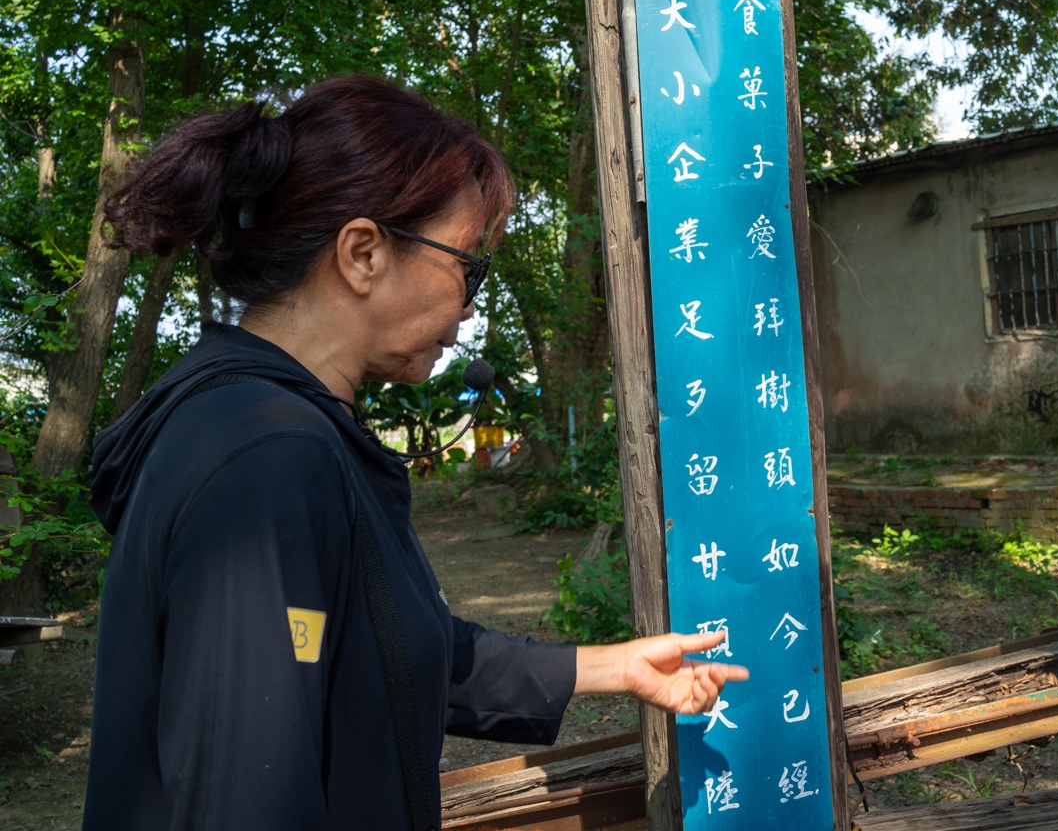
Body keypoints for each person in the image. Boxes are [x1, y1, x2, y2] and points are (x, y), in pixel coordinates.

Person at [85, 76, 747, 830]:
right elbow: (247, 796)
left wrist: (613, 666)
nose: (468, 308)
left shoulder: (272, 429)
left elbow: (387, 654)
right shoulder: (266, 457)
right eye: (467, 266)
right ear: (363, 253)